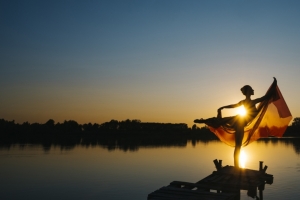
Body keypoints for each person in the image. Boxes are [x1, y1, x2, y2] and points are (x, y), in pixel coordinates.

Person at [194, 78, 278, 168]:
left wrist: (223, 107)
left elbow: (264, 98)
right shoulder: (252, 101)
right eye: (251, 89)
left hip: (240, 122)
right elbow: (265, 97)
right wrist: (274, 85)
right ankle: (237, 166)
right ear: (248, 92)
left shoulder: (247, 102)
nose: (253, 90)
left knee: (237, 144)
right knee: (237, 144)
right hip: (240, 121)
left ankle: (237, 166)